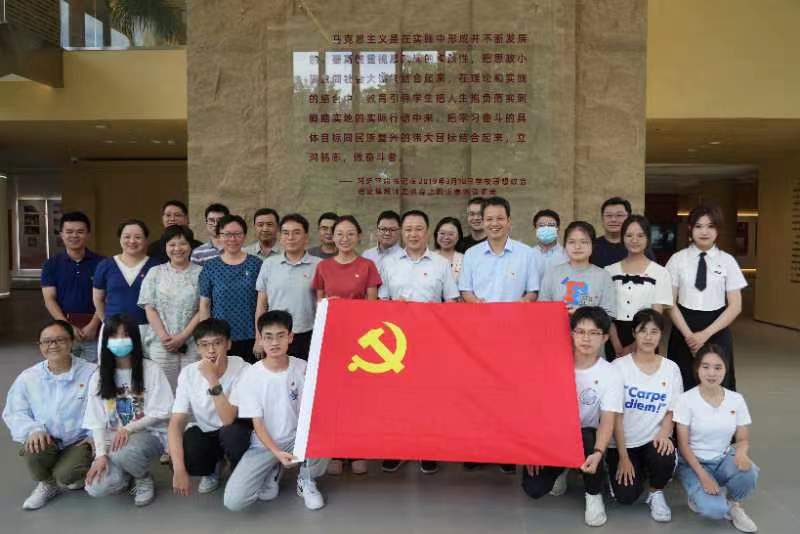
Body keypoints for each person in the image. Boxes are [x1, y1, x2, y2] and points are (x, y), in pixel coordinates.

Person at [458, 196, 539, 473]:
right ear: (482, 222)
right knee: (478, 393)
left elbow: (532, 291)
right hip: (478, 337)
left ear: (509, 221)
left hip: (514, 337)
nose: (494, 223)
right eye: (489, 219)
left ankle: (506, 451)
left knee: (508, 394)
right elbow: (465, 290)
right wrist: (475, 304)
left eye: (499, 218)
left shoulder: (526, 254)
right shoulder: (471, 255)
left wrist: (522, 304)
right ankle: (476, 449)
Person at [521, 307, 622, 527]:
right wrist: (532, 450)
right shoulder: (553, 363)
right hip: (552, 437)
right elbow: (534, 409)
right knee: (534, 488)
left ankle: (593, 495)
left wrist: (599, 452)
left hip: (585, 439)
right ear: (571, 333)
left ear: (605, 337)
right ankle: (563, 468)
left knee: (588, 438)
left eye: (594, 333)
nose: (586, 338)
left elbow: (608, 419)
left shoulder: (611, 373)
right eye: (580, 331)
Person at [379, 209, 459, 475]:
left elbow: (452, 302)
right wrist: (394, 309)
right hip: (396, 343)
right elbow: (381, 302)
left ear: (427, 232)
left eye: (418, 229)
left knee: (429, 396)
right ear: (402, 232)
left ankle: (427, 449)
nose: (413, 234)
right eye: (408, 229)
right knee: (397, 397)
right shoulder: (389, 263)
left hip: (431, 341)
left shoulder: (440, 264)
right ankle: (398, 448)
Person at [224, 310, 329, 512]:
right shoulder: (251, 375)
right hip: (264, 444)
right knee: (234, 501)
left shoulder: (303, 368)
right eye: (268, 337)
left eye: (280, 336)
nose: (274, 343)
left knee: (326, 430)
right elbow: (257, 423)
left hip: (298, 438)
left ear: (290, 337)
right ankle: (274, 468)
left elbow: (319, 407)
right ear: (260, 339)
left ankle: (306, 479)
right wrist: (277, 453)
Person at [312, 215, 381, 477]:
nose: (344, 238)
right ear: (332, 236)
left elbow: (373, 307)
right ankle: (337, 451)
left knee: (360, 398)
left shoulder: (367, 266)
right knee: (335, 397)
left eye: (350, 233)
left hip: (361, 341)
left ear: (358, 236)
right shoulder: (323, 267)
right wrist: (328, 306)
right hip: (332, 340)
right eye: (339, 233)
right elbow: (319, 305)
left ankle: (358, 450)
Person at [3, 320, 97, 510]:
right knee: (34, 449)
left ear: (72, 342)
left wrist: (95, 435)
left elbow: (105, 407)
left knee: (67, 474)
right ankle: (47, 484)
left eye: (59, 340)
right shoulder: (29, 377)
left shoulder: (91, 373)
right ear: (40, 346)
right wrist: (32, 429)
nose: (53, 345)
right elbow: (15, 411)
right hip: (46, 439)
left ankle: (72, 471)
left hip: (79, 440)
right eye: (46, 341)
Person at [83, 314, 173, 507]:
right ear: (106, 341)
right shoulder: (99, 376)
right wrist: (100, 455)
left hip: (149, 434)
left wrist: (128, 428)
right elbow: (96, 420)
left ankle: (142, 478)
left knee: (122, 452)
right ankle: (126, 475)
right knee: (95, 487)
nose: (120, 341)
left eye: (125, 335)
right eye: (114, 336)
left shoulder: (151, 369)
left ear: (135, 338)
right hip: (114, 439)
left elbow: (162, 411)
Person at [607, 309, 683, 523]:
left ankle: (656, 492)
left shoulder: (671, 369)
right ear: (634, 333)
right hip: (623, 443)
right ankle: (614, 468)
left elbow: (672, 409)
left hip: (652, 439)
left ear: (661, 335)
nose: (648, 337)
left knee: (664, 453)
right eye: (643, 331)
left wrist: (664, 434)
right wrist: (623, 458)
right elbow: (615, 416)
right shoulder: (618, 367)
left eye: (654, 331)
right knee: (626, 497)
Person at [674, 344, 759, 533]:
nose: (711, 373)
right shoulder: (685, 400)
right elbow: (683, 445)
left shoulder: (736, 399)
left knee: (750, 472)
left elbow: (743, 438)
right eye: (706, 367)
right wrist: (703, 476)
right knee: (715, 510)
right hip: (694, 463)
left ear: (725, 369)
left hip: (723, 458)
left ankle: (734, 505)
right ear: (697, 369)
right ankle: (700, 496)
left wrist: (742, 453)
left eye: (718, 367)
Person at [666, 204, 746, 391]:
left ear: (718, 230)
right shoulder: (677, 259)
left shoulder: (727, 261)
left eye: (710, 226)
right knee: (682, 382)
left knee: (718, 383)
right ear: (690, 228)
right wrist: (689, 336)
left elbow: (735, 306)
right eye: (698, 226)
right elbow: (669, 302)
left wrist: (705, 334)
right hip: (683, 327)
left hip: (717, 327)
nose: (704, 231)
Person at [169, 318, 252, 496]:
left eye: (217, 343)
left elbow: (228, 418)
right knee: (188, 448)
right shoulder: (188, 373)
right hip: (208, 431)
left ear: (228, 344)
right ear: (197, 348)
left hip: (236, 428)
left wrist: (212, 378)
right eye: (204, 345)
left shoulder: (244, 369)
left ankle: (237, 465)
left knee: (232, 434)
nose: (211, 350)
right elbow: (176, 422)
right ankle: (214, 466)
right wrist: (179, 469)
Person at [138, 225, 204, 389]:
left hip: (193, 342)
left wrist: (183, 337)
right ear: (165, 247)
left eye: (182, 243)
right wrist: (164, 337)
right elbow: (149, 307)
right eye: (172, 244)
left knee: (192, 389)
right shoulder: (155, 272)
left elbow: (203, 308)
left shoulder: (202, 273)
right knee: (163, 390)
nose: (177, 249)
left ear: (190, 246)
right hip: (161, 343)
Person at [605, 215, 673, 357]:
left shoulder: (660, 273)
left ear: (648, 238)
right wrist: (616, 345)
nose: (634, 240)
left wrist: (635, 345)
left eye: (640, 235)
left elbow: (656, 315)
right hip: (615, 336)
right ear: (622, 238)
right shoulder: (609, 271)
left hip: (647, 335)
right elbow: (607, 312)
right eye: (629, 235)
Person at [255, 213, 321, 361]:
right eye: (286, 233)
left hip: (307, 335)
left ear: (306, 237)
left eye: (296, 232)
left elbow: (322, 304)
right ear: (280, 237)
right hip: (275, 336)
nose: (290, 237)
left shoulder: (319, 265)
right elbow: (261, 304)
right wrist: (259, 338)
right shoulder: (269, 264)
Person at [198, 214, 263, 364]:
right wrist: (207, 340)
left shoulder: (256, 264)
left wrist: (260, 339)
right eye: (227, 234)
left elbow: (263, 304)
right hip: (219, 339)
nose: (232, 239)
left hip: (250, 337)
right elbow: (205, 305)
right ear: (220, 236)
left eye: (237, 234)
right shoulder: (210, 267)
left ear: (244, 236)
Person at [41, 211, 104, 362]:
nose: (74, 236)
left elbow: (106, 297)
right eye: (69, 232)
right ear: (61, 234)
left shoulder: (102, 263)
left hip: (95, 329)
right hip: (63, 331)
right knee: (64, 369)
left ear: (88, 234)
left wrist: (94, 324)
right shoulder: (51, 264)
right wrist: (67, 326)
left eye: (80, 232)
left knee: (95, 371)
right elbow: (49, 299)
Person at [92, 219, 160, 349]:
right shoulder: (106, 265)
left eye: (138, 237)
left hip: (148, 328)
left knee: (145, 362)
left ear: (146, 240)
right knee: (112, 362)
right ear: (120, 239)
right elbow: (98, 298)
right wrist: (106, 321)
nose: (132, 241)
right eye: (127, 237)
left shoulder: (156, 266)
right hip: (114, 330)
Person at [539, 221, 615, 318]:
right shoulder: (552, 273)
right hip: (557, 327)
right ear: (564, 246)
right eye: (571, 242)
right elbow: (542, 309)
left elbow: (609, 314)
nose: (577, 247)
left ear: (592, 246)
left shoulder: (603, 276)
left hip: (591, 328)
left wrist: (581, 315)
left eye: (584, 242)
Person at [590, 197, 655, 268]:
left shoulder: (639, 248)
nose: (613, 219)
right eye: (608, 215)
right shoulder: (591, 247)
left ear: (628, 218)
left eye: (619, 215)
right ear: (602, 219)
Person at [147, 200, 202, 264]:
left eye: (177, 215)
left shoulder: (200, 248)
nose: (172, 219)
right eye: (168, 215)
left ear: (187, 218)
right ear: (162, 219)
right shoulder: (152, 249)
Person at [530, 209, 568, 286]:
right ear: (535, 229)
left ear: (558, 228)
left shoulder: (567, 255)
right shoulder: (528, 255)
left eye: (551, 225)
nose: (546, 228)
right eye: (541, 225)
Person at [432, 216, 465, 281]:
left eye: (451, 234)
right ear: (436, 234)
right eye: (442, 233)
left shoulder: (464, 260)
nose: (446, 237)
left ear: (458, 236)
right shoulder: (428, 257)